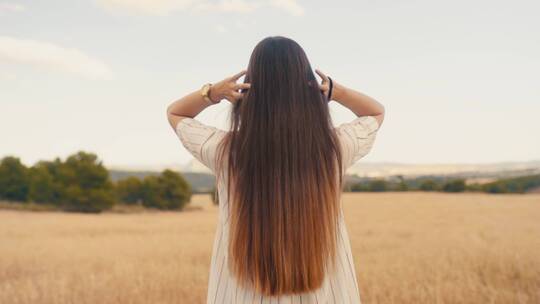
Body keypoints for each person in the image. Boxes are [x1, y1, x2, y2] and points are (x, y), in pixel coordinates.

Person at [166, 36, 385, 304]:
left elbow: (176, 114)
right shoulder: (333, 148)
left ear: (250, 92)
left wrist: (212, 93)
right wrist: (335, 92)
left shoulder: (226, 151)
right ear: (308, 88)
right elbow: (375, 113)